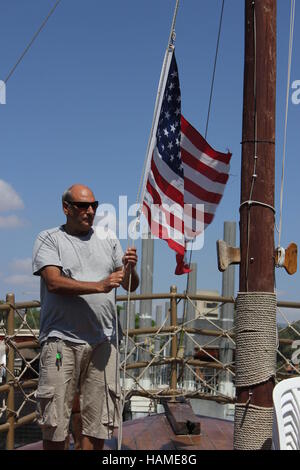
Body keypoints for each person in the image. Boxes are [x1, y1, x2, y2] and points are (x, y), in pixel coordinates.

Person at [32, 184, 139, 450]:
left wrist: (129, 269)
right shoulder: (49, 238)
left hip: (104, 342)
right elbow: (54, 282)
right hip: (61, 342)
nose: (90, 211)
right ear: (66, 208)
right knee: (54, 423)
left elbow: (130, 285)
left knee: (98, 423)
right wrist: (99, 286)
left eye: (94, 205)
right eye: (82, 206)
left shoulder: (109, 239)